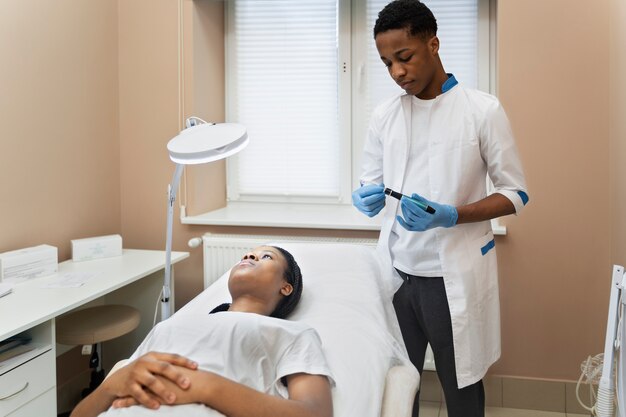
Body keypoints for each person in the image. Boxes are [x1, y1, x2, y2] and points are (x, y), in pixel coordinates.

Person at [352, 1, 529, 416]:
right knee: (397, 385)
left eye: (405, 57)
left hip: (452, 278)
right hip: (397, 275)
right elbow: (369, 179)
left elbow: (516, 193)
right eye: (386, 63)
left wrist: (453, 214)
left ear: (433, 44)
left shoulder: (482, 111)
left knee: (462, 387)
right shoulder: (384, 116)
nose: (397, 72)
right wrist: (367, 194)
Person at [70, 246, 334, 417]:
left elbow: (317, 412)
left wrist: (205, 387)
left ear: (285, 287)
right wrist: (109, 388)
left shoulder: (290, 333)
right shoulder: (172, 325)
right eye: (247, 254)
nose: (249, 256)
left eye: (266, 256)